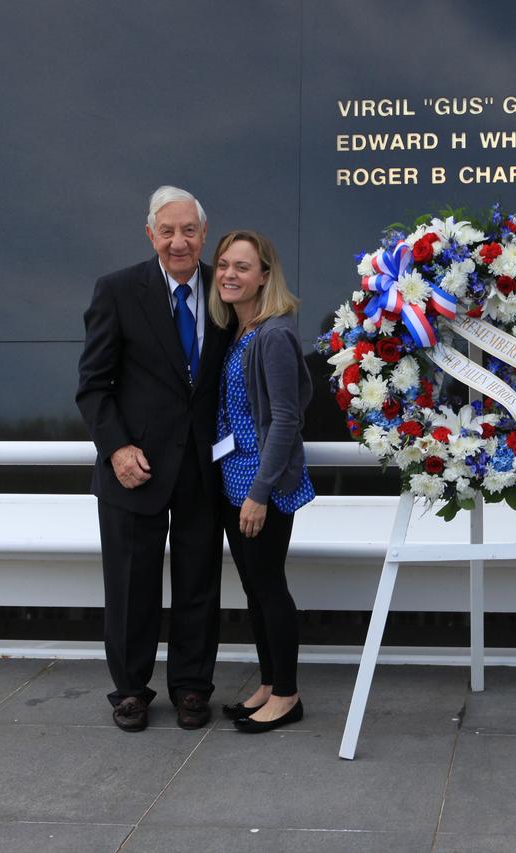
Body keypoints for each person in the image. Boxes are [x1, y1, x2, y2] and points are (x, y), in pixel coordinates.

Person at [75, 186, 231, 732]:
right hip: (132, 467)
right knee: (129, 587)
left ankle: (191, 688)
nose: (178, 241)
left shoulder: (226, 290)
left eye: (188, 230)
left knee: (198, 584)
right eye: (167, 231)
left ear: (204, 233)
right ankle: (130, 690)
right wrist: (116, 447)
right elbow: (93, 386)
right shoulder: (117, 291)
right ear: (150, 235)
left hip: (202, 468)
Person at [207, 230, 314, 733]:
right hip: (235, 479)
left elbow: (287, 419)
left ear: (264, 276)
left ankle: (288, 695)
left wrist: (259, 493)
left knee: (270, 588)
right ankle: (270, 684)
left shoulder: (274, 334)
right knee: (254, 587)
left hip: (262, 485)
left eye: (242, 267)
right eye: (224, 264)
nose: (229, 274)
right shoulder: (240, 332)